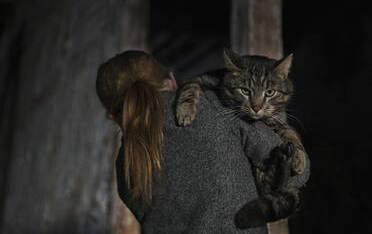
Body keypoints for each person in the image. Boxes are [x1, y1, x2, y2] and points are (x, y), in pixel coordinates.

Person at [95, 50, 310, 233]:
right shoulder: (216, 106)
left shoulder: (124, 166)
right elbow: (297, 172)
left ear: (113, 117)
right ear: (170, 79)